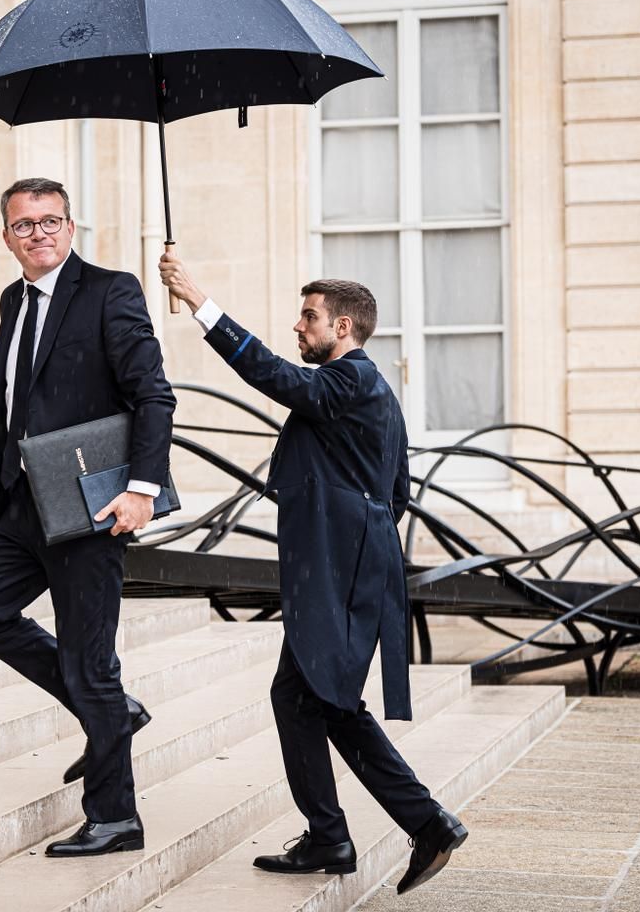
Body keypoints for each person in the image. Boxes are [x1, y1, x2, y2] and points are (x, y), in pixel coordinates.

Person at [157, 253, 466, 895]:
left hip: (340, 570)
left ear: (343, 326)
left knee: (321, 700)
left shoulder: (350, 379)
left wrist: (200, 303)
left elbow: (279, 380)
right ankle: (341, 834)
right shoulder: (367, 389)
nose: (299, 328)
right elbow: (398, 489)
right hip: (349, 563)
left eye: (309, 317)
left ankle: (414, 823)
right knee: (310, 697)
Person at [0, 177, 175, 857]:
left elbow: (153, 394)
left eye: (52, 221)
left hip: (92, 503)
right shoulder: (12, 300)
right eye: (25, 225)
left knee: (90, 663)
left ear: (72, 228)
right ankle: (111, 714)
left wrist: (142, 487)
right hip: (24, 502)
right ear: (7, 238)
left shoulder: (111, 291)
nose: (40, 234)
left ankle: (115, 818)